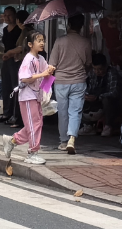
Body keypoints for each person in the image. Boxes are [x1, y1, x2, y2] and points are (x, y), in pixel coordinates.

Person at [3, 31, 55, 165]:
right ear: (30, 44)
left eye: (43, 40)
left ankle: (13, 141)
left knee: (36, 124)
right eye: (39, 41)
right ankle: (32, 152)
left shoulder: (40, 59)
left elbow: (45, 74)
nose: (42, 43)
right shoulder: (28, 59)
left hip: (36, 95)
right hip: (27, 96)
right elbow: (24, 78)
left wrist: (49, 70)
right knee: (34, 124)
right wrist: (43, 74)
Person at [48, 14, 92, 155]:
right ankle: (72, 138)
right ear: (81, 27)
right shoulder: (85, 42)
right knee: (75, 111)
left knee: (62, 112)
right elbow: (89, 63)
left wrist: (45, 85)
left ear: (68, 25)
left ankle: (63, 141)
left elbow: (52, 64)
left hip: (61, 82)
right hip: (79, 81)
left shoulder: (59, 41)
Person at [82, 53, 122, 137]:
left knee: (107, 100)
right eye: (95, 69)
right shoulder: (92, 73)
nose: (97, 72)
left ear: (105, 66)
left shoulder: (112, 73)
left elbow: (114, 92)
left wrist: (98, 97)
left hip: (111, 102)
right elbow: (89, 88)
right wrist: (87, 95)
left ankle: (108, 126)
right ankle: (88, 125)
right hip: (94, 100)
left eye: (100, 69)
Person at [0, 7, 22, 124]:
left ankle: (15, 114)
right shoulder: (5, 29)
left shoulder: (19, 30)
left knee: (15, 86)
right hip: (6, 59)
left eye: (9, 15)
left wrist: (11, 53)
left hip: (16, 60)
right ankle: (6, 112)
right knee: (6, 86)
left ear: (15, 16)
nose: (7, 18)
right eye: (5, 15)